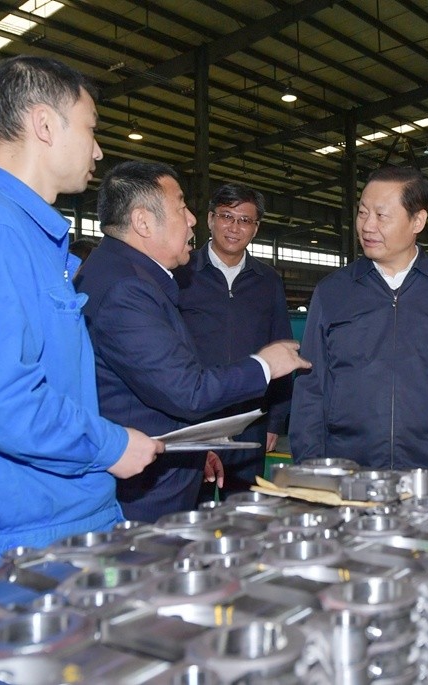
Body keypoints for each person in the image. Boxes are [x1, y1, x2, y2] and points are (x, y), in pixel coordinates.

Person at [0, 56, 163, 563]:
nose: (97, 149)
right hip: (18, 540)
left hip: (47, 523)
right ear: (44, 124)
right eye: (90, 129)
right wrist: (107, 445)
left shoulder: (21, 233)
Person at [75, 162, 310, 521]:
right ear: (143, 222)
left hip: (190, 446)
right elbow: (186, 389)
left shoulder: (126, 273)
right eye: (181, 207)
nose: (191, 220)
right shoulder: (130, 289)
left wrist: (197, 447)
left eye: (244, 220)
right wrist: (265, 365)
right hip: (146, 488)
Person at [289, 166, 428, 493]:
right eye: (362, 213)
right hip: (349, 474)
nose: (368, 226)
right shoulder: (332, 292)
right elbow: (311, 389)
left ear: (417, 221)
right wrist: (312, 472)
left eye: (382, 216)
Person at [176, 183, 293, 498]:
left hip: (249, 422)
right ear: (210, 219)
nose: (234, 227)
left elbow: (282, 349)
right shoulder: (182, 272)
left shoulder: (268, 281)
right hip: (194, 422)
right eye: (226, 216)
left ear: (256, 228)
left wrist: (275, 421)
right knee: (194, 509)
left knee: (244, 509)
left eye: (244, 220)